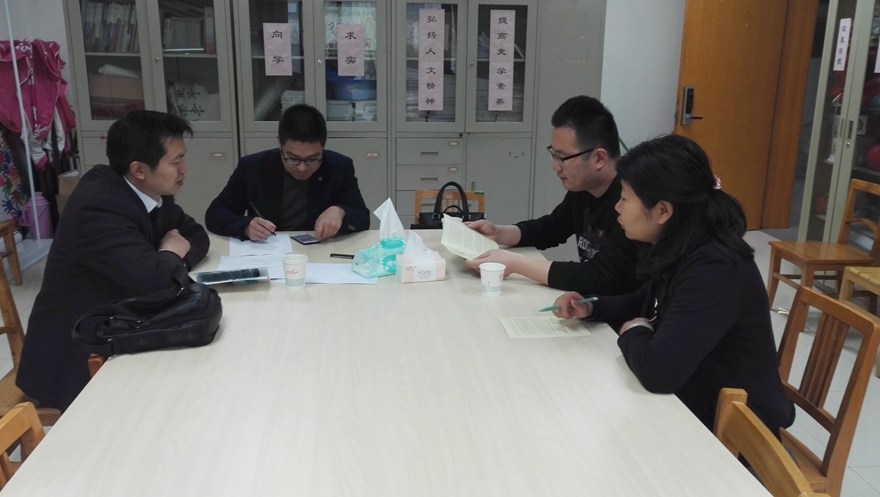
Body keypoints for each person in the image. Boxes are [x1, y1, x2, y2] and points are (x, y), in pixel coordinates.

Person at [551, 135, 795, 436]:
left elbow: (658, 372)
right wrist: (591, 306)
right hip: (695, 405)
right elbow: (645, 302)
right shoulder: (683, 243)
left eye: (625, 199)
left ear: (663, 211)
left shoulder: (714, 268)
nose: (617, 208)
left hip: (736, 435)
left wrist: (633, 331)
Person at [17, 110, 210, 411]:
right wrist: (170, 255)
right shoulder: (99, 206)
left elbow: (196, 235)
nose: (184, 168)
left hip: (123, 327)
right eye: (176, 162)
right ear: (139, 169)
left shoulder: (149, 191)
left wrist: (171, 262)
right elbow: (158, 284)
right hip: (76, 355)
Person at [465, 96, 643, 296]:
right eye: (554, 154)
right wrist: (498, 233)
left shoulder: (631, 201)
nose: (555, 166)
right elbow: (552, 227)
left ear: (599, 158)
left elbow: (601, 277)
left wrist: (516, 264)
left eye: (563, 157)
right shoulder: (584, 189)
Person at [205, 104, 370, 241]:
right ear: (279, 143)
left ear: (323, 146)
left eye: (313, 159)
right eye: (293, 158)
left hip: (318, 249)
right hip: (269, 249)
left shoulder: (339, 166)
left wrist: (341, 212)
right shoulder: (253, 167)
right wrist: (246, 226)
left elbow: (363, 218)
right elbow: (215, 214)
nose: (302, 168)